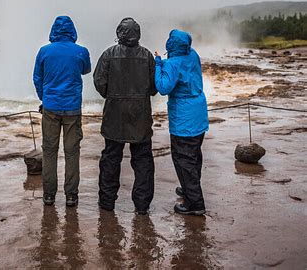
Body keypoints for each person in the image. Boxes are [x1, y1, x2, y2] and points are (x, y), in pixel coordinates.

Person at [93, 17, 157, 215]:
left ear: (119, 33)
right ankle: (142, 205)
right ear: (137, 34)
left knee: (111, 158)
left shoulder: (108, 54)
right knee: (143, 160)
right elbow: (155, 88)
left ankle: (107, 202)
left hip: (114, 114)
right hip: (140, 114)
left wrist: (113, 96)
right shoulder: (147, 56)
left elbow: (99, 82)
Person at [33, 15, 91, 208]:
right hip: (73, 108)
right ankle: (71, 196)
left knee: (49, 151)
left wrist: (44, 97)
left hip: (50, 107)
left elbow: (37, 78)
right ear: (72, 31)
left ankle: (49, 195)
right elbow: (85, 70)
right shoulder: (81, 52)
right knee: (72, 152)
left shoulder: (44, 52)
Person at [154, 29, 209, 216]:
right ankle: (189, 189)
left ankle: (195, 203)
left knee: (183, 159)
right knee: (194, 156)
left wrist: (158, 64)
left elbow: (163, 87)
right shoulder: (192, 54)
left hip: (184, 119)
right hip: (199, 113)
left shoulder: (173, 63)